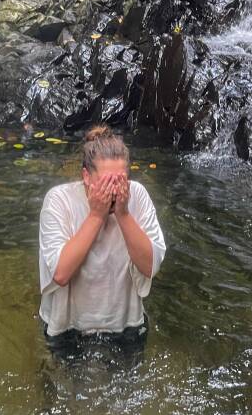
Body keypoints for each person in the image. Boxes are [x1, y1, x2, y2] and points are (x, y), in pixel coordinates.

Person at [38, 124, 166, 357]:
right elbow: (60, 273)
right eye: (106, 182)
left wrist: (123, 214)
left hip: (125, 325)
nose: (114, 191)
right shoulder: (59, 200)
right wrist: (96, 215)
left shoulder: (137, 196)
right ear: (86, 176)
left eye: (120, 181)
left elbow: (150, 267)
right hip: (68, 327)